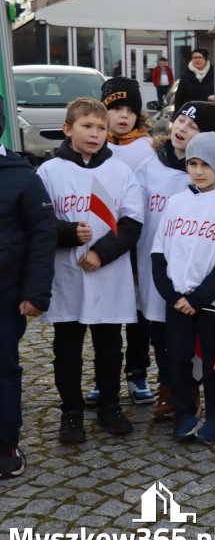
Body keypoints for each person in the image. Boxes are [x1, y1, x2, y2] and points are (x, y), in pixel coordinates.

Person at [36, 98, 144, 444]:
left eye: (101, 128)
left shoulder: (120, 172)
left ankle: (110, 405)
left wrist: (100, 251)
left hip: (107, 275)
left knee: (110, 347)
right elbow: (38, 223)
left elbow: (132, 221)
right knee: (67, 349)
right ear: (68, 130)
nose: (95, 134)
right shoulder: (50, 172)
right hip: (67, 276)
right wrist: (68, 233)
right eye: (87, 126)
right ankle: (71, 412)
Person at [136, 102, 215, 421]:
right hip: (159, 269)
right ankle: (168, 385)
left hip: (196, 276)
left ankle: (191, 387)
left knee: (197, 338)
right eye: (180, 121)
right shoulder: (151, 164)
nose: (181, 129)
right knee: (161, 335)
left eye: (192, 127)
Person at [151, 133, 215, 444]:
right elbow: (158, 253)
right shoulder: (176, 202)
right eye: (192, 163)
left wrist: (198, 298)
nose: (199, 171)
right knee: (177, 359)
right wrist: (173, 295)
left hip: (212, 302)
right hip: (177, 301)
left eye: (206, 164)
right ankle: (184, 414)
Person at [87, 76, 156, 410]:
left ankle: (138, 372)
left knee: (139, 316)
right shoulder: (96, 145)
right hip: (105, 244)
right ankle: (105, 377)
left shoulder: (147, 147)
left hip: (138, 241)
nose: (124, 115)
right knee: (107, 316)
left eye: (130, 109)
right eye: (116, 108)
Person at [0, 141, 56, 478]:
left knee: (3, 371)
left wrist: (35, 293)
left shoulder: (23, 177)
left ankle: (5, 443)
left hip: (5, 294)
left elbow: (42, 235)